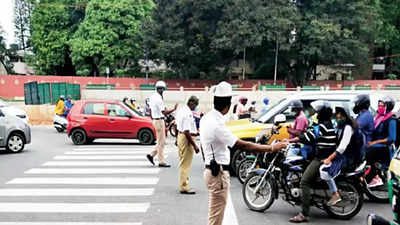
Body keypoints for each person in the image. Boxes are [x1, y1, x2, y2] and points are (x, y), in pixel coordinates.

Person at [200, 81, 288, 225]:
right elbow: (244, 145)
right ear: (227, 104)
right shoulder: (216, 124)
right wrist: (272, 148)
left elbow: (204, 146)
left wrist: (209, 161)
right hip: (218, 173)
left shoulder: (207, 118)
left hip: (211, 170)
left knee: (215, 215)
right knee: (215, 219)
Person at [287, 100, 337, 223]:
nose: (316, 113)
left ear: (322, 113)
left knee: (304, 181)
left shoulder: (323, 126)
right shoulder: (329, 124)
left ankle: (304, 214)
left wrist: (290, 141)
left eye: (317, 112)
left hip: (321, 158)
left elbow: (307, 137)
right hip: (325, 155)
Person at [320, 106, 356, 207]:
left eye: (338, 114)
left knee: (324, 169)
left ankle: (335, 194)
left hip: (346, 157)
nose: (336, 116)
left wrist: (329, 158)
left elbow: (342, 147)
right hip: (341, 155)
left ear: (344, 115)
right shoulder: (340, 126)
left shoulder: (348, 127)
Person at [366, 96, 397, 187]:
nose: (380, 107)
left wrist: (374, 142)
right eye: (379, 105)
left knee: (367, 152)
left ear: (388, 106)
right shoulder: (379, 118)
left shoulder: (391, 120)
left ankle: (375, 177)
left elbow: (391, 138)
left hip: (385, 148)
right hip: (376, 146)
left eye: (382, 106)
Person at [146, 80, 178, 168]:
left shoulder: (153, 96)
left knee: (161, 141)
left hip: (156, 119)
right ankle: (161, 161)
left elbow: (152, 110)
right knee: (161, 142)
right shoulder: (158, 98)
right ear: (160, 89)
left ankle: (152, 155)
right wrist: (173, 109)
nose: (163, 91)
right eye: (162, 89)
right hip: (159, 120)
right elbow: (164, 111)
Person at [176, 96, 200, 195]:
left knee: (183, 162)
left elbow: (176, 125)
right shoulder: (187, 113)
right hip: (186, 138)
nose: (196, 107)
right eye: (195, 105)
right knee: (185, 164)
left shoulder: (181, 110)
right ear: (191, 103)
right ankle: (184, 187)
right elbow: (186, 131)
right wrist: (194, 145)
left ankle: (184, 183)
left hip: (181, 136)